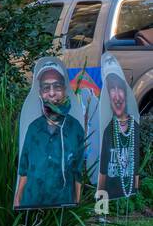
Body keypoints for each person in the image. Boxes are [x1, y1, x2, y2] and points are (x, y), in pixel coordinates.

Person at [14, 65, 88, 209]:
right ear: (41, 93)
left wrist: (77, 204)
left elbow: (77, 172)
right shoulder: (33, 128)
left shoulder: (75, 129)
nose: (52, 93)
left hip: (62, 206)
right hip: (31, 204)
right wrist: (17, 200)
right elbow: (24, 169)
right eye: (46, 88)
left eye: (57, 86)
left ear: (65, 90)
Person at [98, 73, 141, 200]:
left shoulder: (135, 127)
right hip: (110, 196)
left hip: (127, 195)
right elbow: (102, 171)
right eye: (112, 89)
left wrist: (136, 192)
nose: (117, 95)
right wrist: (100, 203)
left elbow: (136, 163)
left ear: (126, 96)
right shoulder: (108, 130)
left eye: (120, 89)